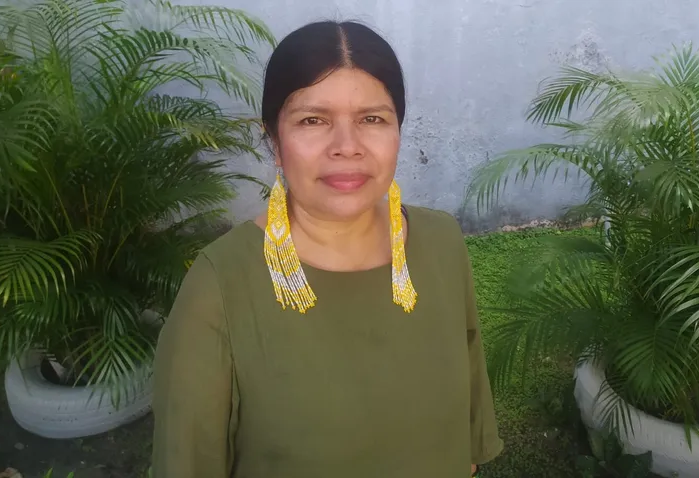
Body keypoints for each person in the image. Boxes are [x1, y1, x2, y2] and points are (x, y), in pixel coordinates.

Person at [151, 20, 503, 478]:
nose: (347, 147)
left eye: (372, 119)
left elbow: (468, 398)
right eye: (313, 120)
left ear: (398, 130)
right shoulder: (219, 288)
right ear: (274, 141)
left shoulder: (440, 241)